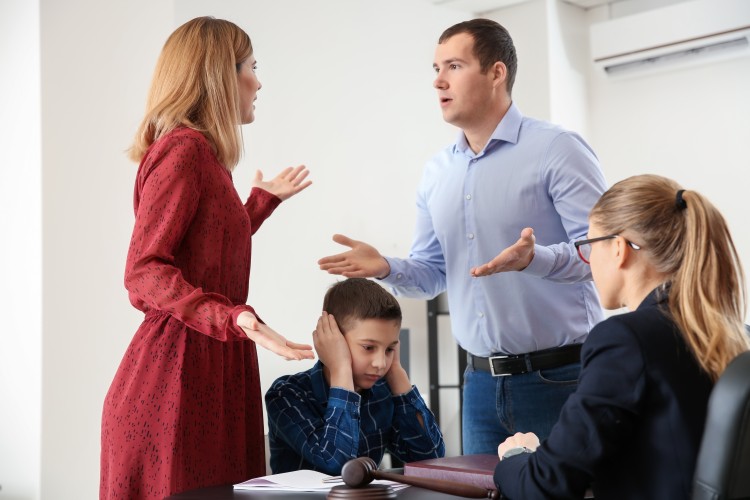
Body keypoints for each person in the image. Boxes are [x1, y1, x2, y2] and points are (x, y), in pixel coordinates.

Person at [318, 18, 606, 454]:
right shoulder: (438, 172)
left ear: (496, 73)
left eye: (453, 66)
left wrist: (536, 259)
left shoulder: (557, 148)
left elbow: (602, 254)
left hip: (560, 378)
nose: (438, 81)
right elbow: (433, 274)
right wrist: (386, 267)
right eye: (436, 68)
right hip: (480, 386)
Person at [100, 17, 315, 500]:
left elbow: (207, 248)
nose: (258, 82)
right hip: (177, 376)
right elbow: (143, 270)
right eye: (250, 68)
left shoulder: (204, 156)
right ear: (218, 75)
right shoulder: (184, 151)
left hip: (212, 367)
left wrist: (258, 204)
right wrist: (233, 315)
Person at [494, 174, 750, 499]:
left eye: (588, 245)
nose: (587, 262)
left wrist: (515, 458)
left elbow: (546, 484)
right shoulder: (731, 334)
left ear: (618, 248)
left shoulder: (625, 340)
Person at [265, 278, 445, 475]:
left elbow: (430, 459)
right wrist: (340, 368)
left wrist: (396, 371)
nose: (380, 363)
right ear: (333, 339)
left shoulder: (382, 391)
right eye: (368, 347)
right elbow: (336, 463)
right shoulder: (286, 394)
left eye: (389, 348)